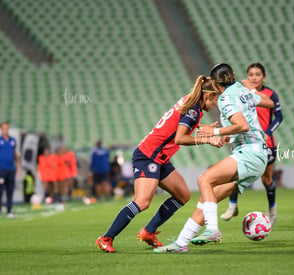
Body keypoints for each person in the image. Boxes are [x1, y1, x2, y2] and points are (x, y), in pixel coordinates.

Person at [95, 75, 226, 253]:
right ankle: (106, 238)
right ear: (209, 95)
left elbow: (181, 124)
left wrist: (206, 130)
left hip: (160, 157)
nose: (216, 104)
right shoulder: (193, 110)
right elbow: (180, 137)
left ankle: (148, 232)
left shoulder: (192, 104)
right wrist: (207, 139)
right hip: (148, 156)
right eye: (217, 99)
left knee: (182, 195)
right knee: (142, 202)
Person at [154, 63, 274, 253]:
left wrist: (213, 131)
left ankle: (212, 229)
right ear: (232, 75)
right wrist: (249, 97)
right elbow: (269, 102)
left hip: (250, 152)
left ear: (216, 85)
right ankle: (181, 243)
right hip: (257, 153)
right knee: (207, 198)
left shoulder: (226, 98)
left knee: (204, 180)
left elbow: (242, 125)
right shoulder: (241, 90)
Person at [220, 62, 283, 225]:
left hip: (266, 142)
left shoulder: (270, 94)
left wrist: (267, 133)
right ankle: (232, 206)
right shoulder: (239, 91)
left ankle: (272, 210)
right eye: (251, 75)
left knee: (266, 180)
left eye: (258, 75)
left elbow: (279, 117)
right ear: (246, 76)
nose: (254, 78)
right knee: (236, 174)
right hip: (245, 141)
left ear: (264, 77)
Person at [0, 121, 21, 218]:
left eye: (7, 128)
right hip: (1, 169)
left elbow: (15, 154)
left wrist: (18, 167)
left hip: (11, 169)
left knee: (10, 190)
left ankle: (9, 211)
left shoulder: (13, 140)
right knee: (0, 190)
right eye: (4, 128)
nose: (6, 130)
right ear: (1, 129)